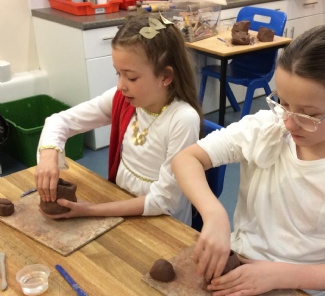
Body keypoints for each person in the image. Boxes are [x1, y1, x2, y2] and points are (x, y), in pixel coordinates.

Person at [172, 24, 325, 296]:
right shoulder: (265, 128)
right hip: (239, 265)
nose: (289, 123)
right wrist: (214, 214)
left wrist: (278, 275)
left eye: (308, 114)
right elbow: (187, 159)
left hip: (299, 291)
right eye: (283, 103)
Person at [35, 14, 202, 226]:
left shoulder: (182, 119)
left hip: (164, 223)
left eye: (131, 77)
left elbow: (163, 201)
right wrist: (49, 155)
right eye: (118, 74)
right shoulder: (123, 100)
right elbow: (60, 121)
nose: (121, 85)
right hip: (121, 205)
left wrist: (90, 210)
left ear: (165, 77)